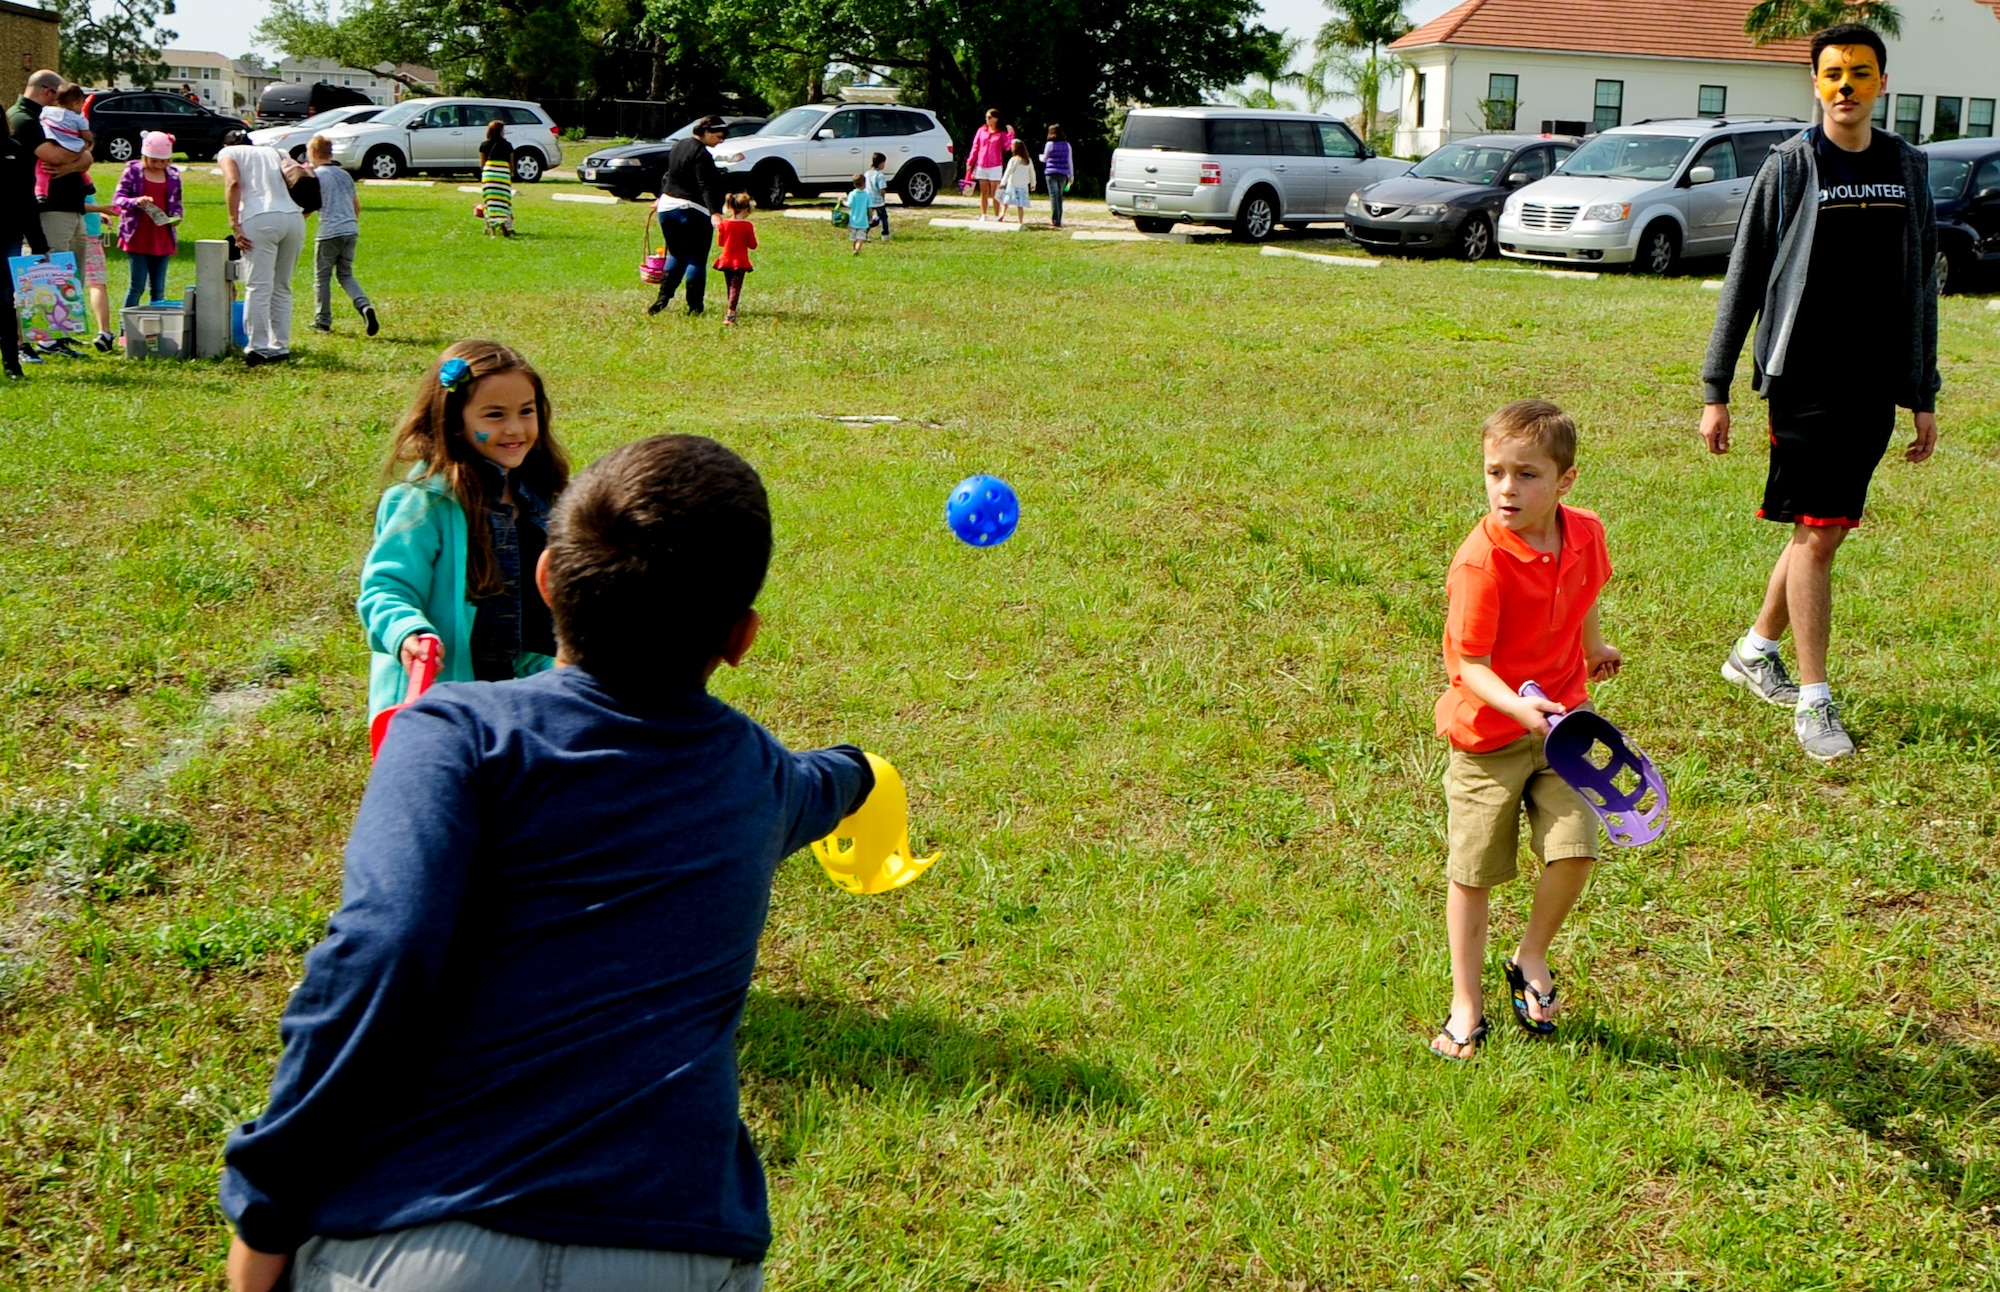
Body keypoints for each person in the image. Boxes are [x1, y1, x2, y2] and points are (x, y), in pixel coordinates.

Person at [221, 431, 881, 1292]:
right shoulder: (761, 776)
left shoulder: (453, 736)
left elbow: (379, 953)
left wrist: (268, 1205)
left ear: (545, 580)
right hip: (684, 1248)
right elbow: (826, 780)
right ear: (742, 638)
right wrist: (867, 768)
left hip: (425, 1233)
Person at [1700, 22, 1939, 763]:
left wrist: (1922, 390)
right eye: (1833, 73)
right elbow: (1745, 276)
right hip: (1803, 377)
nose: (1845, 87)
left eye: (1860, 74)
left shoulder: (1907, 165)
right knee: (1820, 534)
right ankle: (1814, 699)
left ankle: (1752, 651)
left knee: (1819, 529)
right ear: (1815, 83)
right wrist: (1717, 388)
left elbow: (1920, 286)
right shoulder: (1792, 165)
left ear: (1881, 84)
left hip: (1873, 381)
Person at [1430, 399, 1620, 1061]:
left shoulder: (1586, 532)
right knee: (1473, 872)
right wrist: (1517, 708)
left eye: (1527, 474)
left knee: (1576, 850)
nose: (1507, 488)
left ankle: (1529, 956)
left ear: (1565, 482)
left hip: (1560, 728)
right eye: (1495, 472)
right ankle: (1466, 1005)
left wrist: (1593, 647)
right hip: (1487, 738)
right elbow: (1469, 666)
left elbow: (1585, 592)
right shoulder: (1481, 564)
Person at [357, 341, 571, 719]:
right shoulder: (425, 503)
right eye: (494, 415)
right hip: (448, 692)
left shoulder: (541, 498)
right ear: (454, 422)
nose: (514, 428)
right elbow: (385, 589)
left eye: (526, 411)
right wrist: (408, 631)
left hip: (526, 683)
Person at [10, 73, 93, 356]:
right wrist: (78, 155)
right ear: (48, 93)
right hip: (49, 208)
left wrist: (75, 163)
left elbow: (87, 157)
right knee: (45, 276)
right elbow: (54, 156)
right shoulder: (24, 119)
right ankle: (30, 341)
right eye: (61, 96)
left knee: (68, 276)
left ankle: (56, 335)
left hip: (72, 206)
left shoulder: (50, 117)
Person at [219, 130, 307, 366]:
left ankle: (257, 347)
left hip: (259, 218)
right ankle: (280, 345)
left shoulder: (228, 152)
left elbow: (233, 182)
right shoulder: (276, 152)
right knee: (282, 286)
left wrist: (234, 223)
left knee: (258, 286)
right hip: (293, 219)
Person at [650, 115, 728, 316]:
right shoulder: (701, 154)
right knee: (696, 260)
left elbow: (669, 175)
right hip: (691, 210)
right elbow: (706, 186)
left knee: (676, 254)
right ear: (707, 133)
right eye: (718, 137)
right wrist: (715, 213)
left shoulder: (678, 146)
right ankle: (694, 307)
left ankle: (662, 298)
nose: (720, 141)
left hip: (667, 208)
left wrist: (660, 197)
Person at [308, 134, 377, 335]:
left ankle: (323, 321)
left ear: (313, 153)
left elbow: (311, 205)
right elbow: (357, 207)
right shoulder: (344, 175)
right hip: (350, 229)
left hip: (329, 232)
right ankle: (364, 305)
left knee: (322, 277)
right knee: (345, 274)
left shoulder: (316, 176)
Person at [1, 112, 50, 378]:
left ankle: (11, 363)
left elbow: (26, 201)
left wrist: (39, 244)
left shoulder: (14, 150)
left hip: (8, 236)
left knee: (5, 301)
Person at [113, 131, 181, 312]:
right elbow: (118, 199)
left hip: (162, 237)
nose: (158, 165)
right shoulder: (133, 172)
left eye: (163, 161)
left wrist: (176, 217)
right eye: (154, 160)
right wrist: (136, 201)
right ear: (145, 157)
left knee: (158, 289)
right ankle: (125, 329)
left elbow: (177, 204)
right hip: (138, 236)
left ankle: (156, 329)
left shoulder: (173, 176)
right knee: (137, 286)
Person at [35, 81, 92, 195]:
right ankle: (88, 184)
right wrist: (88, 141)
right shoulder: (79, 119)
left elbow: (40, 121)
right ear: (75, 103)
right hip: (71, 145)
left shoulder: (46, 110)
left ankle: (41, 192)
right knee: (77, 160)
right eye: (81, 104)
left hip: (52, 141)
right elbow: (87, 136)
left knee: (41, 169)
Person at [712, 190, 757, 326]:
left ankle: (731, 309)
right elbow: (753, 245)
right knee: (735, 287)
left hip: (726, 260)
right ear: (745, 209)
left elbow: (720, 242)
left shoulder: (724, 224)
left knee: (730, 286)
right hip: (740, 261)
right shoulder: (747, 226)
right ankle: (730, 314)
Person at [966, 109, 1013, 220]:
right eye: (986, 117)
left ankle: (996, 215)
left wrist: (1010, 134)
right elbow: (975, 146)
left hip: (995, 165)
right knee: (983, 191)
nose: (987, 119)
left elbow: (1007, 147)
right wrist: (970, 162)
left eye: (989, 117)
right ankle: (984, 214)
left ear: (996, 119)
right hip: (981, 164)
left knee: (995, 192)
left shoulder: (1000, 133)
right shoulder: (981, 131)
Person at [477, 119, 515, 237]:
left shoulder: (484, 145)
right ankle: (505, 224)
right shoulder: (507, 145)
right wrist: (511, 174)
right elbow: (511, 163)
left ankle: (491, 226)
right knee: (503, 200)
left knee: (490, 200)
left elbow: (483, 164)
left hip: (489, 174)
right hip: (502, 174)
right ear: (500, 131)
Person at [1041, 124, 1072, 229]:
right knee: (1059, 196)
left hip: (1051, 172)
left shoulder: (1049, 144)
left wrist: (1040, 157)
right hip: (1063, 173)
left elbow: (1045, 158)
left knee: (1053, 196)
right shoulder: (1067, 145)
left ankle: (1055, 220)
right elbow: (1069, 161)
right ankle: (1059, 218)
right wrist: (1071, 175)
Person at [998, 140, 1035, 226]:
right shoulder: (1028, 160)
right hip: (1023, 185)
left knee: (1006, 201)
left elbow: (1008, 171)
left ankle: (1002, 215)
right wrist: (1033, 184)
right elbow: (1032, 172)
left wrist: (1003, 182)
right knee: (1020, 205)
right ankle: (1020, 221)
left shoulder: (1013, 160)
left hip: (1012, 184)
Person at [838, 173, 871, 255]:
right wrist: (870, 217)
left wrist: (842, 201)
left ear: (854, 184)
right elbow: (869, 208)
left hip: (853, 220)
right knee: (861, 237)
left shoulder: (852, 194)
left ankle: (854, 249)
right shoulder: (867, 195)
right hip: (863, 221)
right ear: (864, 183)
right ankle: (857, 250)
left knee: (854, 238)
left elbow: (849, 204)